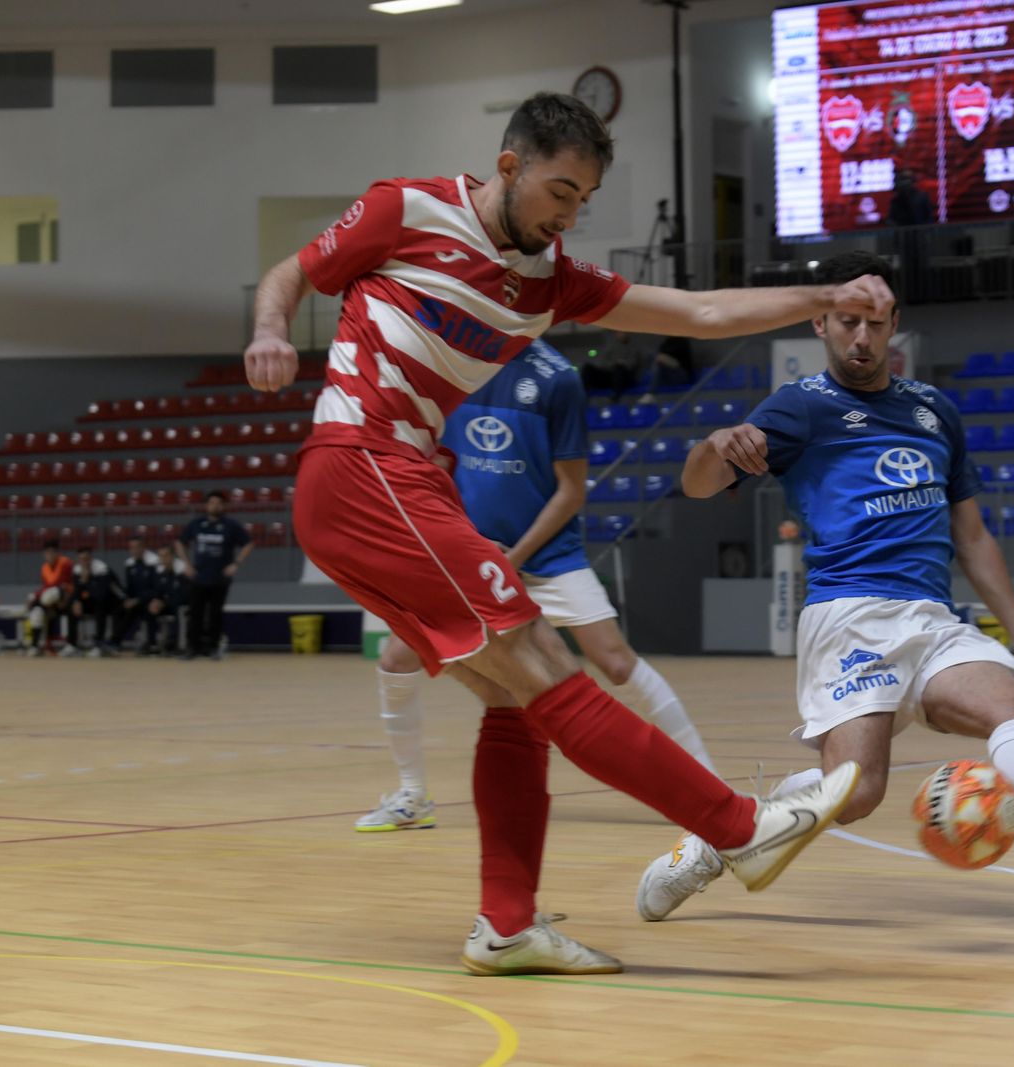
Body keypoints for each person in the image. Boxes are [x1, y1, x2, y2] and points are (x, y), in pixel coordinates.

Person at [243, 91, 877, 976]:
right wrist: (270, 330)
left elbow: (699, 313)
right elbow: (291, 271)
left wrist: (826, 295)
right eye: (560, 192)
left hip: (398, 479)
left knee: (516, 700)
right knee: (543, 657)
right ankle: (738, 828)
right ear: (509, 166)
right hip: (363, 464)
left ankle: (506, 927)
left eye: (585, 200)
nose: (569, 215)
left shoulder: (552, 282)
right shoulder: (406, 209)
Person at [634, 251, 1014, 923]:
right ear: (821, 323)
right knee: (857, 791)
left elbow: (972, 535)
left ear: (895, 323)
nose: (862, 337)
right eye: (848, 321)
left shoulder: (933, 410)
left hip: (932, 617)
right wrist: (717, 443)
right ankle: (712, 840)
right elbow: (697, 485)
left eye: (876, 322)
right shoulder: (799, 407)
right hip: (851, 615)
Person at [357, 339, 716, 832]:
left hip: (546, 556)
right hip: (471, 558)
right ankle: (412, 796)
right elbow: (431, 465)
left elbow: (571, 491)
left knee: (615, 661)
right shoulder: (449, 365)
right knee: (397, 660)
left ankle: (712, 788)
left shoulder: (557, 378)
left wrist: (515, 558)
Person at [174, 491, 253, 661]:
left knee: (215, 614)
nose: (215, 506)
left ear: (223, 506)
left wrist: (236, 564)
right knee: (195, 613)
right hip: (198, 577)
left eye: (218, 503)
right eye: (212, 503)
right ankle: (192, 648)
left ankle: (213, 648)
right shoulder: (197, 524)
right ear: (206, 505)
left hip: (220, 578)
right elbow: (180, 542)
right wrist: (186, 564)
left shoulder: (230, 525)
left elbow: (248, 543)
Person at [67, 547, 124, 657]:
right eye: (81, 559)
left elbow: (101, 594)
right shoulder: (77, 570)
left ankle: (99, 644)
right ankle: (72, 644)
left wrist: (86, 580)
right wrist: (77, 601)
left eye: (86, 559)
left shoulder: (102, 569)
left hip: (109, 602)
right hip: (90, 601)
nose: (84, 562)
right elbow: (76, 591)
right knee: (71, 606)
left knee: (100, 607)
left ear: (91, 558)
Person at [24, 539, 74, 657]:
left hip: (65, 599)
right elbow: (46, 586)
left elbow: (61, 584)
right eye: (47, 553)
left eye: (52, 552)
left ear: (57, 553)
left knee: (49, 595)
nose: (50, 555)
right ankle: (34, 646)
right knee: (36, 613)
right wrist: (35, 596)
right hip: (50, 602)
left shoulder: (65, 563)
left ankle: (37, 604)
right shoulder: (44, 568)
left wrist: (36, 597)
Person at [146, 544, 191, 655]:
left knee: (180, 611)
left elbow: (184, 596)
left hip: (183, 605)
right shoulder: (160, 573)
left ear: (172, 556)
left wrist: (164, 602)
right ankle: (153, 644)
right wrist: (155, 601)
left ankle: (180, 646)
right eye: (160, 556)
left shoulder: (182, 571)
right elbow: (158, 592)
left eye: (165, 555)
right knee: (150, 609)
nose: (163, 559)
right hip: (168, 605)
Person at [117, 536, 159, 651]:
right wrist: (126, 599)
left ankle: (152, 644)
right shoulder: (129, 564)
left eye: (137, 547)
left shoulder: (154, 562)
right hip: (135, 601)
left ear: (143, 547)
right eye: (131, 548)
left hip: (150, 599)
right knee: (118, 608)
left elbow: (156, 589)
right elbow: (129, 588)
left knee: (150, 608)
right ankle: (115, 641)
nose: (134, 550)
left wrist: (137, 600)